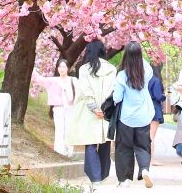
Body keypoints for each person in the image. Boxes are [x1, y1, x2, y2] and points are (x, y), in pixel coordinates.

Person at [67, 41, 117, 192]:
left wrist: (94, 107)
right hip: (106, 112)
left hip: (88, 112)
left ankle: (95, 181)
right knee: (104, 143)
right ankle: (100, 177)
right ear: (103, 51)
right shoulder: (111, 69)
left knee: (90, 144)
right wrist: (104, 108)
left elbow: (85, 89)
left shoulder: (84, 69)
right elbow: (111, 90)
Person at [113, 42, 156, 188]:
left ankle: (125, 180)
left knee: (124, 147)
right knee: (143, 146)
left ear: (126, 55)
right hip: (144, 116)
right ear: (139, 55)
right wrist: (137, 55)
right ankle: (144, 169)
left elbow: (117, 98)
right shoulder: (146, 71)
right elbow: (145, 65)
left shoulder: (122, 75)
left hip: (126, 118)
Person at [32, 59, 76, 157]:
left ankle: (69, 151)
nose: (62, 69)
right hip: (58, 108)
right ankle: (60, 151)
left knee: (69, 129)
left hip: (71, 108)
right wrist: (32, 69)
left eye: (64, 66)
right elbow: (39, 79)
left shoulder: (73, 80)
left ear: (68, 68)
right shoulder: (53, 81)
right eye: (60, 66)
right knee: (60, 129)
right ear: (57, 68)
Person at [148, 61, 167, 166]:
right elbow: (158, 96)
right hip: (154, 107)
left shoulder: (144, 80)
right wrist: (164, 96)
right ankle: (151, 159)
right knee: (151, 135)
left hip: (146, 108)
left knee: (147, 134)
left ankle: (147, 158)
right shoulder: (155, 81)